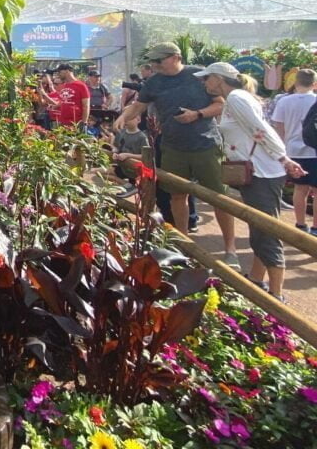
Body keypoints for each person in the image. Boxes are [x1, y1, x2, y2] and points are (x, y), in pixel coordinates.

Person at [114, 42, 238, 264]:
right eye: (152, 60)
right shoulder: (154, 81)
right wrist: (124, 116)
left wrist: (197, 114)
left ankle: (231, 250)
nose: (154, 64)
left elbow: (220, 104)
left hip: (206, 145)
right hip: (172, 147)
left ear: (175, 57)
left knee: (219, 198)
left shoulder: (199, 75)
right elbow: (139, 105)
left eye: (158, 60)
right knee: (177, 195)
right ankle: (183, 243)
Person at [198, 62, 305, 301]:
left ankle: (276, 296)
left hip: (262, 172)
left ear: (218, 78)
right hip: (258, 171)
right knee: (259, 228)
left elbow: (261, 130)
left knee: (265, 230)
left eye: (207, 78)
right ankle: (257, 279)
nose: (204, 83)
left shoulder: (236, 98)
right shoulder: (235, 98)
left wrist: (283, 158)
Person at [271, 68, 317, 234]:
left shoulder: (284, 101)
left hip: (292, 151)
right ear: (314, 84)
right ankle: (316, 228)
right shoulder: (315, 100)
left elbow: (279, 127)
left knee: (300, 189)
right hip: (314, 151)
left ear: (296, 82)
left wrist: (283, 148)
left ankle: (300, 224)